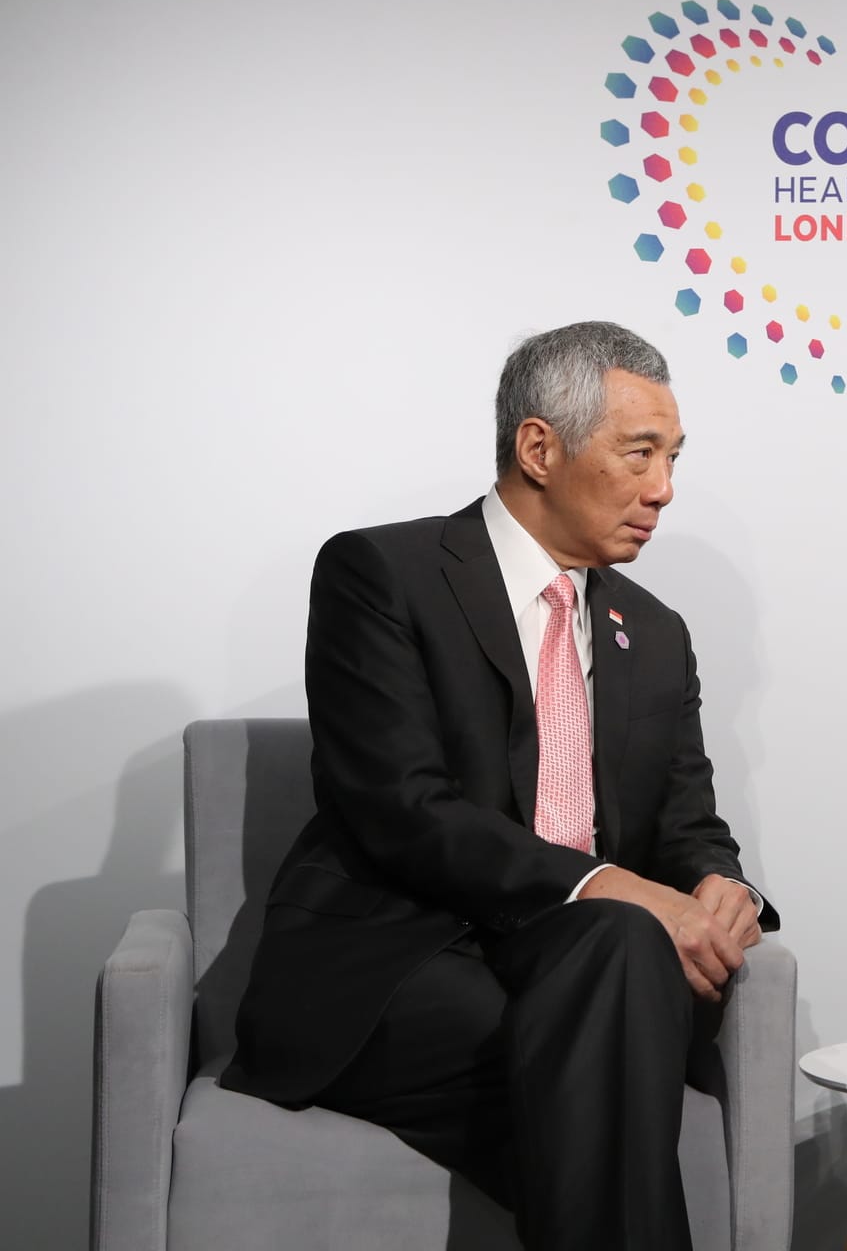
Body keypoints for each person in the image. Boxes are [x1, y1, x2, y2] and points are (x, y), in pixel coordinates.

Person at [222, 321, 778, 1251]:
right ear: (538, 447)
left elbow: (689, 824)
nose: (663, 490)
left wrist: (726, 889)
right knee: (608, 1018)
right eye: (639, 453)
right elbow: (401, 808)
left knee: (614, 957)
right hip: (407, 963)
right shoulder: (382, 575)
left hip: (588, 965)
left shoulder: (658, 630)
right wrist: (612, 885)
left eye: (673, 458)